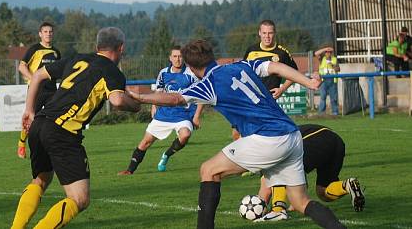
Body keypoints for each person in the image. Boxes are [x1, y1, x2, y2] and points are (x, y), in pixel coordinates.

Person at [128, 40, 346, 229]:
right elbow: (276, 67)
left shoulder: (208, 84)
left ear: (191, 67)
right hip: (292, 135)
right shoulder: (242, 65)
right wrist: (309, 82)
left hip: (267, 138)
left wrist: (141, 98)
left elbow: (175, 98)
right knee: (300, 202)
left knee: (208, 170)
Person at [10, 27, 141, 229]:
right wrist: (136, 105)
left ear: (97, 46)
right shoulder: (112, 71)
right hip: (62, 131)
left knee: (41, 179)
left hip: (40, 123)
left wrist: (29, 110)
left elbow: (36, 76)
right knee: (79, 198)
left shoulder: (76, 59)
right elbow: (117, 101)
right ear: (121, 48)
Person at [251, 124, 365, 221]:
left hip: (316, 139)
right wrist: (296, 203)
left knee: (281, 169)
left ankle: (278, 211)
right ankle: (347, 185)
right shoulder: (273, 144)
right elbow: (299, 180)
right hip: (336, 142)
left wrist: (258, 208)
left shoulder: (269, 156)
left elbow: (265, 192)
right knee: (323, 192)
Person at [118, 46, 202, 175]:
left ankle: (166, 155)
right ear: (170, 58)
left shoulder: (191, 74)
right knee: (145, 142)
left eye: (180, 56)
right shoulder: (163, 73)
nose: (178, 59)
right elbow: (158, 92)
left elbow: (201, 95)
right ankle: (130, 170)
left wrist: (196, 116)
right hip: (164, 114)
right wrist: (153, 107)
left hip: (183, 114)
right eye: (175, 56)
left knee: (185, 135)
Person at [16, 22, 61, 158]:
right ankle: (22, 143)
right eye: (45, 31)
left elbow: (59, 71)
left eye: (50, 31)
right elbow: (21, 67)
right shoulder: (34, 49)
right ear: (40, 34)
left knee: (54, 118)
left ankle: (51, 146)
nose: (48, 34)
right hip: (36, 90)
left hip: (52, 90)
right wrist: (35, 79)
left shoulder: (56, 52)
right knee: (30, 117)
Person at [243, 19, 298, 99]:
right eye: (264, 33)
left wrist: (282, 89)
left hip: (270, 99)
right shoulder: (251, 50)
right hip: (252, 97)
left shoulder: (282, 53)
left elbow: (294, 73)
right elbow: (243, 71)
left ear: (275, 33)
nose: (267, 36)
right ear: (259, 33)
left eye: (270, 33)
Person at [315, 46, 341, 115]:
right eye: (326, 52)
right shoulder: (322, 59)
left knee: (334, 98)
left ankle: (335, 112)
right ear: (325, 53)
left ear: (331, 53)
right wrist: (325, 49)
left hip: (333, 80)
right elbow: (316, 53)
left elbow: (338, 69)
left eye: (329, 52)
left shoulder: (334, 59)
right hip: (323, 80)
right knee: (323, 97)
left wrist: (333, 65)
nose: (328, 53)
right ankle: (321, 113)